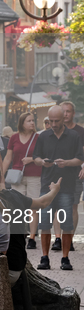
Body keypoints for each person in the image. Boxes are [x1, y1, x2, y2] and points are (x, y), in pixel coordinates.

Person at [0, 160, 61, 285]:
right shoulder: (13, 196)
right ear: (0, 176)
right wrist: (55, 190)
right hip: (14, 266)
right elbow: (42, 203)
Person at [33, 105, 84, 271]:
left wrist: (66, 163)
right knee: (45, 223)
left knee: (67, 224)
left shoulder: (74, 136)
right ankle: (45, 257)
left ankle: (65, 258)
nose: (53, 124)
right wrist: (42, 162)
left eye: (56, 121)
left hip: (67, 185)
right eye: (50, 121)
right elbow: (36, 158)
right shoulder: (43, 136)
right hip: (47, 185)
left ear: (64, 119)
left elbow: (79, 159)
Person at [2, 112, 41, 249]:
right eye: (29, 120)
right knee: (17, 207)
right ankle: (21, 233)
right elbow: (8, 157)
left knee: (33, 207)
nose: (32, 123)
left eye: (33, 120)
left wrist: (31, 159)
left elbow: (43, 156)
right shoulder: (14, 138)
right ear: (22, 123)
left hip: (34, 175)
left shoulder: (38, 138)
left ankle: (32, 237)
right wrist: (1, 173)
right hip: (16, 176)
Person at [58, 101, 84, 252]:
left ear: (73, 113)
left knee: (73, 206)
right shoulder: (56, 129)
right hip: (57, 174)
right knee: (57, 207)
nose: (66, 114)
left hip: (75, 173)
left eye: (68, 111)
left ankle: (70, 239)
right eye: (64, 111)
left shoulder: (80, 131)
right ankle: (58, 238)